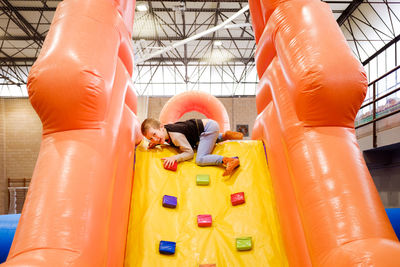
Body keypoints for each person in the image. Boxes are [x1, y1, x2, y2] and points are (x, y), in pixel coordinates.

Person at [141, 118, 243, 176]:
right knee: (200, 144)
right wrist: (156, 142)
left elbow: (189, 153)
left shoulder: (175, 136)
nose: (154, 139)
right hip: (203, 131)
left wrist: (174, 158)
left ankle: (228, 160)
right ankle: (224, 136)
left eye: (154, 134)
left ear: (161, 127)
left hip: (207, 129)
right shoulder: (164, 133)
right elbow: (161, 138)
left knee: (200, 159)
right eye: (150, 139)